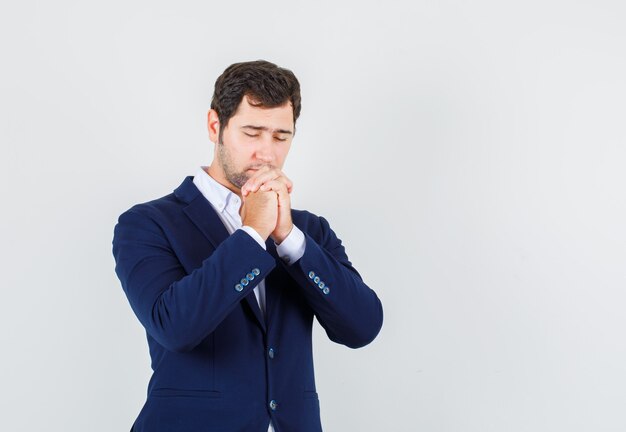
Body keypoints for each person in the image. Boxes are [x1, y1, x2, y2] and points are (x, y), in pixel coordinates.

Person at [112, 60, 383, 432]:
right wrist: (253, 233)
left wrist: (289, 239)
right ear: (215, 126)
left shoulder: (309, 231)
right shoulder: (147, 223)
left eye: (280, 137)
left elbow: (362, 327)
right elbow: (175, 327)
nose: (267, 154)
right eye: (252, 133)